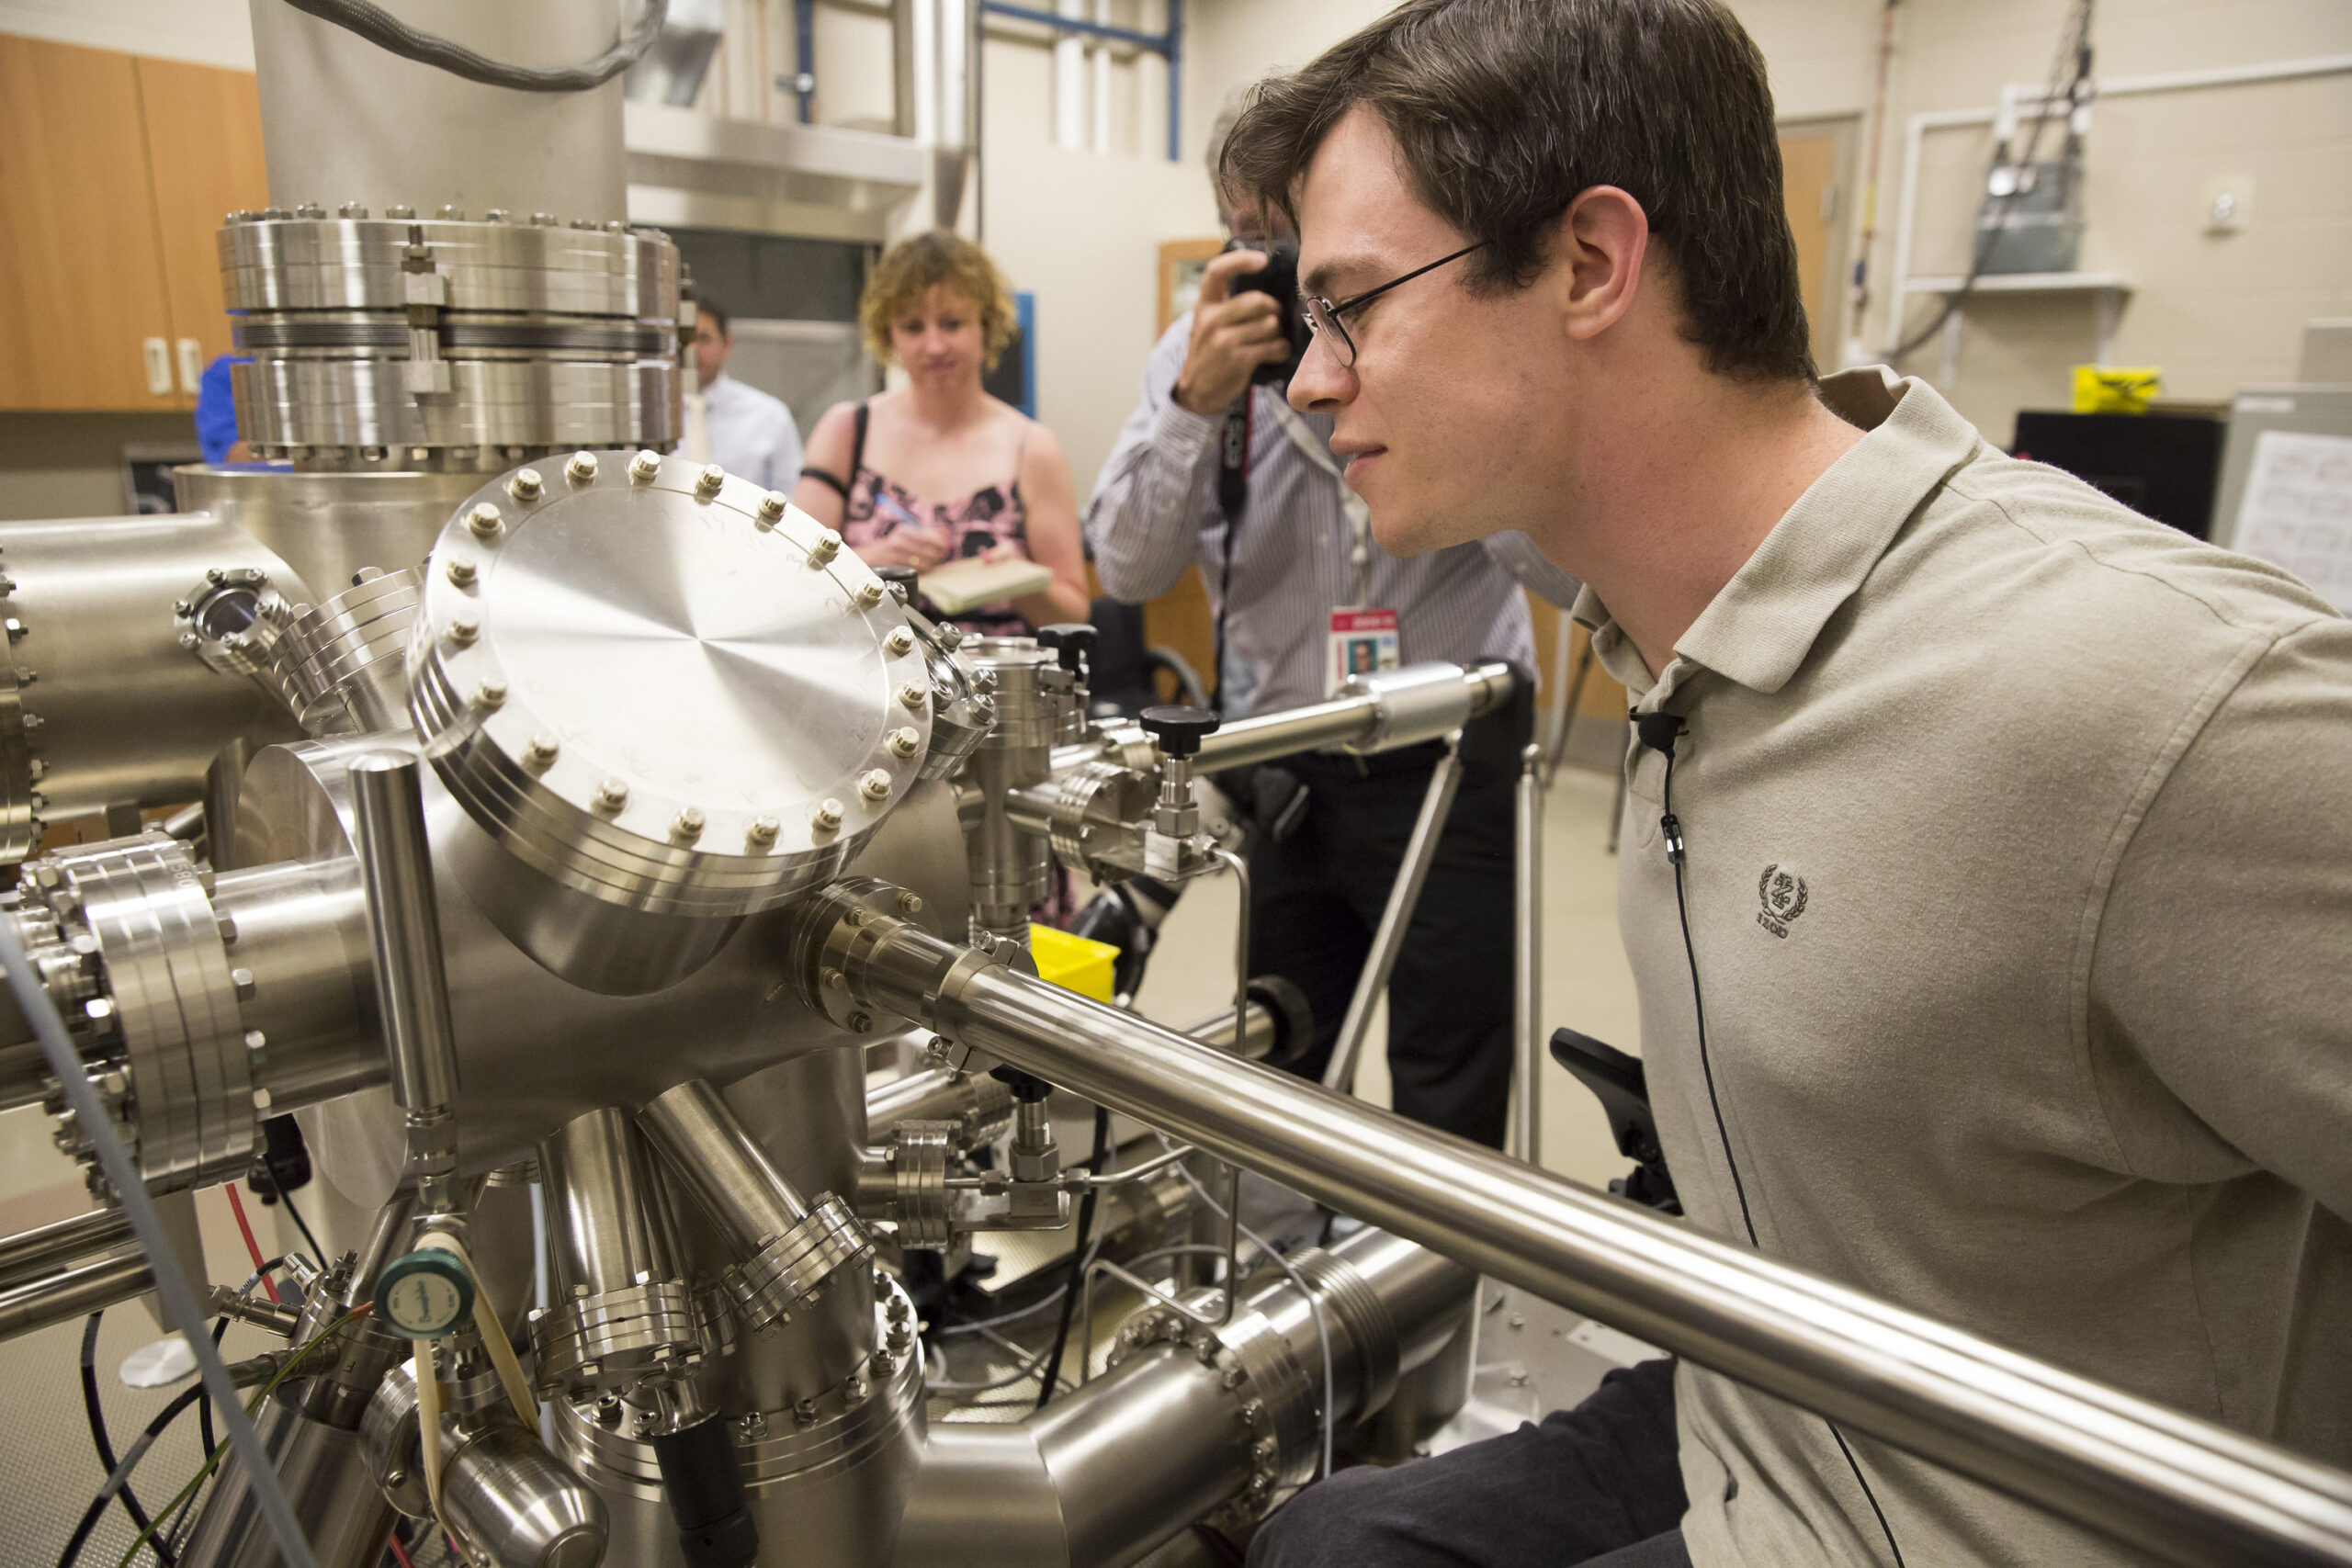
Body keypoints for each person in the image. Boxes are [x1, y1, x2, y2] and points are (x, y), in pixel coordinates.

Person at [1216, 3, 2352, 1567]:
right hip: (1770, 1408)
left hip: (1992, 1513)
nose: (1310, 383)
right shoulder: (1673, 642)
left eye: (1352, 308)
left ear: (1592, 264)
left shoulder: (2150, 698)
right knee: (1327, 1546)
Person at [1088, 110, 1579, 1150]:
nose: (1271, 268)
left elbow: (1576, 579)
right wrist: (1192, 407)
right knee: (1284, 1054)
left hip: (1450, 752)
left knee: (1452, 1063)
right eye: (1244, 236)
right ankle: (1294, 1288)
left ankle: (1438, 1294)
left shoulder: (1444, 339)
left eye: (1292, 237)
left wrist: (1431, 408)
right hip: (1287, 764)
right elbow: (1128, 566)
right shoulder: (1196, 360)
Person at [794, 230, 1089, 637]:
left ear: (986, 326)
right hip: (872, 684)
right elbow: (792, 580)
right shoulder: (845, 431)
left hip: (990, 693)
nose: (934, 346)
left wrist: (1020, 581)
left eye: (952, 324)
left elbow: (1073, 616)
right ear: (888, 335)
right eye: (913, 327)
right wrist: (877, 560)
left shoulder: (1032, 448)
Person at [685, 298, 804, 491]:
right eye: (684, 339)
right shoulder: (650, 415)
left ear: (727, 344)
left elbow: (792, 496)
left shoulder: (770, 416)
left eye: (703, 338)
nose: (692, 350)